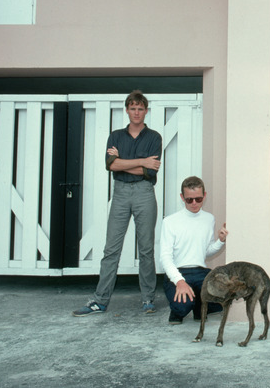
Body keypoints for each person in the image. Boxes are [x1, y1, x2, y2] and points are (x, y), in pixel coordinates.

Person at [73, 90, 162, 316]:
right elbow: (111, 166)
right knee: (111, 248)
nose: (136, 112)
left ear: (146, 111)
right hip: (121, 193)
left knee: (146, 248)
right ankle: (100, 300)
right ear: (127, 110)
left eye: (140, 108)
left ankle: (148, 299)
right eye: (133, 108)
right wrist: (140, 162)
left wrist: (122, 161)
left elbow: (149, 172)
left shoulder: (154, 137)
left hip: (144, 192)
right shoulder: (115, 136)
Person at [159, 176, 228, 324]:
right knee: (182, 306)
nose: (194, 203)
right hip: (178, 271)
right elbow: (165, 258)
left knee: (224, 298)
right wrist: (179, 281)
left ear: (205, 196)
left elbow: (206, 251)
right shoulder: (170, 222)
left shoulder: (209, 218)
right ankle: (183, 308)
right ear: (182, 197)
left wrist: (220, 241)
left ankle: (199, 305)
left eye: (198, 199)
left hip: (200, 272)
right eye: (189, 200)